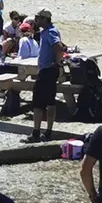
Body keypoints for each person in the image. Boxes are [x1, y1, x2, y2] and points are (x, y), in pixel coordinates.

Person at [30, 8, 68, 143]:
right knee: (50, 101)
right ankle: (48, 131)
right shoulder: (47, 31)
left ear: (45, 19)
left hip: (47, 70)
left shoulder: (50, 31)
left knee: (38, 103)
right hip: (50, 70)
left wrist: (57, 63)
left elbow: (58, 47)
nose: (36, 20)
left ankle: (36, 132)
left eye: (38, 17)